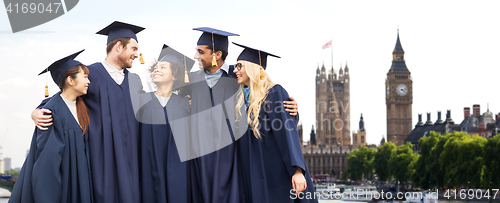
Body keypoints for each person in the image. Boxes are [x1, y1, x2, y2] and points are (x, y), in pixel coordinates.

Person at [30, 21, 145, 203]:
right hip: (100, 158)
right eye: (134, 48)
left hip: (131, 158)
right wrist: (37, 110)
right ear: (118, 46)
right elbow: (63, 95)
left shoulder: (136, 81)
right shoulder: (90, 74)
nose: (137, 54)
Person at [232, 42, 317, 203]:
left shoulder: (274, 93)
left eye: (239, 66)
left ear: (252, 68)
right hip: (251, 174)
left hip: (274, 174)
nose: (235, 70)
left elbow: (287, 133)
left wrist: (297, 170)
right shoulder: (240, 97)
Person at [10, 50, 93, 203]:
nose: (89, 81)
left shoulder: (82, 107)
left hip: (80, 184)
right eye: (85, 76)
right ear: (70, 80)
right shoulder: (51, 113)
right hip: (64, 190)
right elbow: (46, 167)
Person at [136, 44, 193, 203]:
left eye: (163, 67)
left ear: (174, 75)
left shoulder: (184, 104)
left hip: (179, 169)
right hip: (148, 166)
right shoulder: (142, 100)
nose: (156, 70)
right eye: (155, 67)